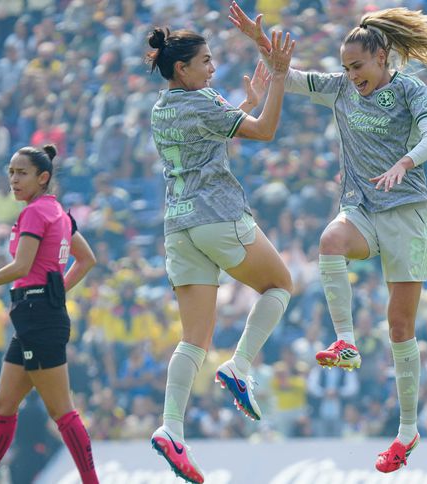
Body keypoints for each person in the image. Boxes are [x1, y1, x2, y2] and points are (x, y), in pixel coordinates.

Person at [230, 2, 427, 473]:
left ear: (382, 57)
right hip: (361, 207)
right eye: (346, 67)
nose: (351, 75)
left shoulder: (410, 90)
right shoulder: (340, 90)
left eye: (358, 66)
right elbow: (288, 78)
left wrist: (406, 162)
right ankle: (346, 342)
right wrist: (262, 45)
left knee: (400, 328)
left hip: (407, 213)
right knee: (330, 242)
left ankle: (407, 432)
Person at [144, 26, 295, 484]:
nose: (213, 68)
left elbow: (205, 137)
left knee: (193, 339)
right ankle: (240, 366)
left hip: (178, 224)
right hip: (218, 215)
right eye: (206, 61)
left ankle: (172, 428)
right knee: (280, 284)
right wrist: (281, 76)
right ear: (181, 68)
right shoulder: (205, 101)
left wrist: (244, 104)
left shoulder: (160, 108)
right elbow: (265, 132)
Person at [0, 144, 99, 484]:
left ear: (43, 178)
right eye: (11, 172)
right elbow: (87, 259)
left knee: (62, 411)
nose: (13, 179)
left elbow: (22, 266)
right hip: (34, 314)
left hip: (38, 315)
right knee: (2, 404)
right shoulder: (57, 211)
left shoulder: (34, 213)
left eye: (22, 173)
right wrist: (56, 291)